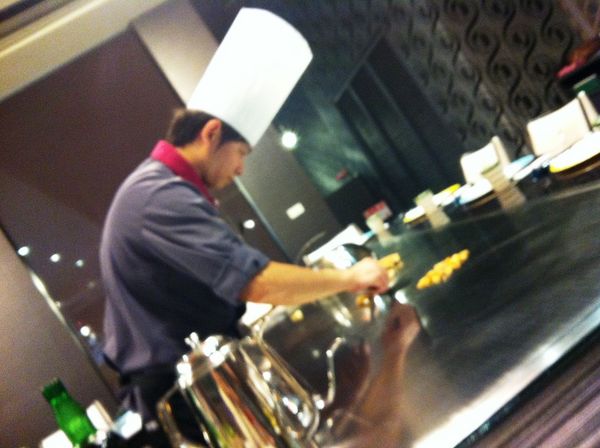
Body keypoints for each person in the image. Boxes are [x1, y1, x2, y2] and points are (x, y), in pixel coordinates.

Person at [100, 109, 390, 444]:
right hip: (185, 391)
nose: (240, 168)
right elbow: (257, 282)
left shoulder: (159, 186)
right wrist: (351, 277)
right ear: (211, 133)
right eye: (241, 153)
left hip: (189, 379)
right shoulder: (158, 196)